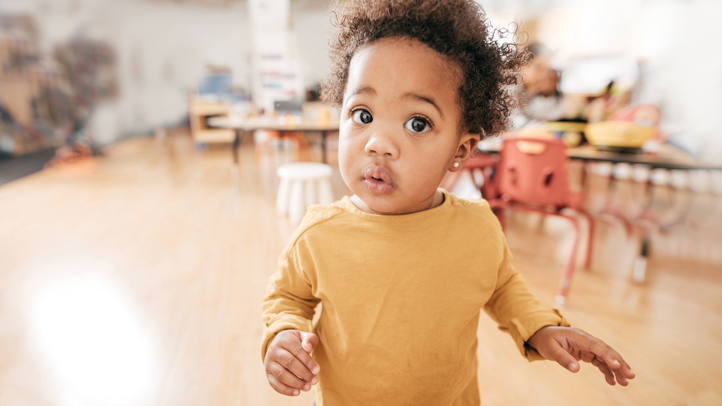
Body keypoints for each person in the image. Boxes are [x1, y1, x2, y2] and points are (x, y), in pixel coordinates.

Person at [261, 1, 635, 404]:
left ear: (461, 148)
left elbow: (502, 285)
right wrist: (283, 335)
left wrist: (540, 328)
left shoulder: (475, 227)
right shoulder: (320, 233)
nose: (378, 143)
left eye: (416, 123)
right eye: (362, 114)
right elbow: (288, 299)